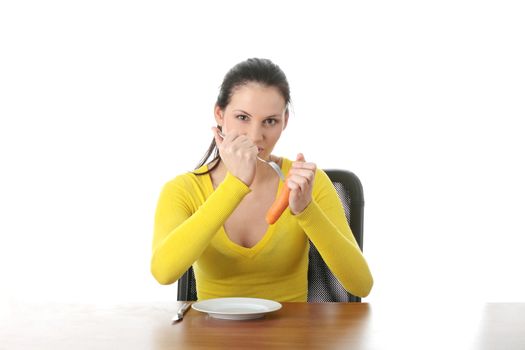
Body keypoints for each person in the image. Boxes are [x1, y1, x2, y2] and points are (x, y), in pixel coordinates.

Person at [151, 58, 373, 302]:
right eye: (243, 118)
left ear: (284, 121)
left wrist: (307, 211)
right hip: (213, 335)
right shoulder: (182, 190)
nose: (256, 137)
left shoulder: (307, 183)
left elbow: (361, 285)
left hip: (291, 336)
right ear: (219, 114)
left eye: (270, 121)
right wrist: (235, 185)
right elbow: (164, 272)